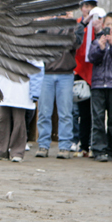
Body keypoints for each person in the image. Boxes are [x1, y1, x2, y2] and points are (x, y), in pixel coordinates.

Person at [35, 12, 85, 159]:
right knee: (44, 112)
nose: (62, 15)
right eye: (60, 12)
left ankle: (64, 146)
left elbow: (75, 43)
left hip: (66, 74)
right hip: (47, 73)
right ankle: (43, 145)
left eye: (66, 12)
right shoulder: (48, 26)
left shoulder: (76, 27)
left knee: (65, 112)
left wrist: (69, 24)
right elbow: (37, 41)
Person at [87, 12, 112, 162]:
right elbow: (92, 58)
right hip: (98, 85)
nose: (109, 27)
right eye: (107, 24)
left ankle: (111, 149)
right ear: (103, 25)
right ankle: (98, 150)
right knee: (97, 118)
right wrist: (101, 47)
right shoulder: (96, 41)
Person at [0, 61, 43, 162]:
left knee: (19, 121)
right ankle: (1, 151)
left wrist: (34, 92)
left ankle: (17, 152)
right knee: (1, 119)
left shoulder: (30, 48)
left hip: (21, 91)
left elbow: (37, 70)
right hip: (3, 89)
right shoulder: (1, 46)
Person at [72, 0, 99, 157]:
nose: (88, 9)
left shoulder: (99, 25)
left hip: (95, 72)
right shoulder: (77, 24)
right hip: (78, 70)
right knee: (78, 111)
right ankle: (78, 142)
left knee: (92, 112)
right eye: (85, 6)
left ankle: (89, 144)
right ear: (81, 8)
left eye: (91, 6)